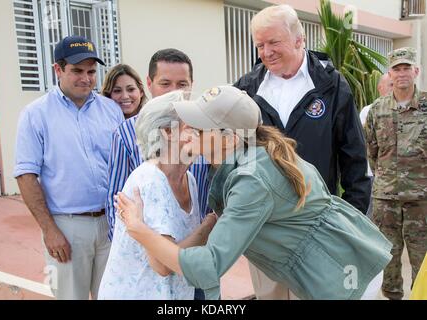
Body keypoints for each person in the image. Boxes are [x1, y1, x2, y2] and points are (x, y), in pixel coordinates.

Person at [116, 85, 392, 300]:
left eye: (199, 128)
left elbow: (208, 267)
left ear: (229, 139)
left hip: (344, 272)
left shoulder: (252, 179)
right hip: (340, 261)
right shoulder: (253, 154)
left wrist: (138, 229)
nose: (188, 131)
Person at [233, 4, 371, 300]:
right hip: (264, 227)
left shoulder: (332, 86)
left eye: (273, 42)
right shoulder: (246, 88)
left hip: (315, 227)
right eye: (260, 44)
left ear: (299, 39)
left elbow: (355, 161)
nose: (265, 52)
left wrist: (351, 222)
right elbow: (230, 152)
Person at [14, 36, 124, 300]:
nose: (86, 78)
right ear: (58, 70)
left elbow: (125, 164)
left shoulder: (111, 110)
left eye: (91, 71)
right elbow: (26, 175)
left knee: (115, 295)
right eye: (77, 71)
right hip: (67, 229)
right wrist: (49, 230)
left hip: (112, 224)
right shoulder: (35, 114)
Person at [105, 48, 210, 300]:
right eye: (193, 126)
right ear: (167, 132)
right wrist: (210, 226)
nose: (204, 131)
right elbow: (163, 264)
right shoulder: (150, 181)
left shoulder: (190, 179)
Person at [364, 47, 427, 300]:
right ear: (389, 74)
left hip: (421, 198)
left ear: (416, 71)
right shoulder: (377, 110)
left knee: (421, 256)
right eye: (396, 69)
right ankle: (392, 296)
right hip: (386, 197)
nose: (401, 74)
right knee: (387, 255)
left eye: (406, 68)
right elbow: (372, 151)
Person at [359, 73, 393, 218]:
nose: (393, 89)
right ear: (380, 88)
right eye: (390, 85)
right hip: (374, 174)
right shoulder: (368, 111)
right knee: (372, 215)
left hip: (394, 176)